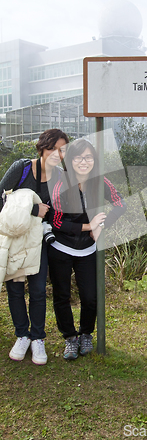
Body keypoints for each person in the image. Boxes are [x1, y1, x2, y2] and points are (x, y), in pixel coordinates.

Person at [48, 138, 126, 360]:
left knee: (90, 297)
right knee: (62, 295)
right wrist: (88, 226)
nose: (84, 161)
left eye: (88, 157)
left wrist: (101, 226)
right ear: (70, 160)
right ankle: (70, 338)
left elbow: (121, 204)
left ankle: (86, 334)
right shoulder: (61, 183)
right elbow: (57, 221)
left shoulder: (100, 181)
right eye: (78, 157)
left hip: (87, 249)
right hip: (61, 247)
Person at [0, 128, 69, 365]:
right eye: (52, 148)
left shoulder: (60, 176)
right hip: (16, 238)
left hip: (39, 240)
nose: (56, 154)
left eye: (61, 150)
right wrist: (32, 210)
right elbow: (1, 196)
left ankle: (38, 337)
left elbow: (61, 210)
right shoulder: (22, 168)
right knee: (15, 289)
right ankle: (22, 335)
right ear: (42, 147)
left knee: (38, 290)